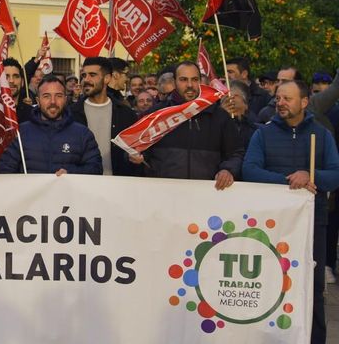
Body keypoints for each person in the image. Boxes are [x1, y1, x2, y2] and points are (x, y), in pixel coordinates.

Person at [242, 80, 339, 344]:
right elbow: (249, 170)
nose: (280, 103)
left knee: (313, 288)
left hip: (312, 225)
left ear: (304, 102)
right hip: (272, 225)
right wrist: (289, 182)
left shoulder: (322, 135)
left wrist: (311, 175)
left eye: (287, 98)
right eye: (278, 98)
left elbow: (335, 174)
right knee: (272, 285)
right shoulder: (263, 133)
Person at [129, 61, 242, 189]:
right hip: (163, 193)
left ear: (200, 81)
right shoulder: (156, 115)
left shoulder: (219, 116)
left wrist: (228, 170)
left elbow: (235, 153)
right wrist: (135, 156)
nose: (189, 85)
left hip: (207, 193)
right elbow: (133, 148)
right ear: (174, 82)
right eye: (183, 80)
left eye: (194, 79)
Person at [0, 76, 102, 175]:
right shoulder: (21, 133)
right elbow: (5, 170)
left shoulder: (83, 134)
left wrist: (71, 174)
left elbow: (95, 169)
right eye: (46, 96)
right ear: (38, 101)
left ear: (65, 99)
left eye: (58, 96)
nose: (53, 101)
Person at [70, 57, 141, 176]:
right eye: (84, 75)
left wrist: (137, 158)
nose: (86, 80)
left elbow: (137, 148)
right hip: (82, 184)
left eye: (92, 75)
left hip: (118, 185)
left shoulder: (126, 114)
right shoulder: (71, 113)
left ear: (107, 78)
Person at [221, 80, 260, 156]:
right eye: (224, 96)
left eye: (233, 96)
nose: (228, 100)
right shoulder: (216, 124)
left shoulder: (256, 128)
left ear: (245, 102)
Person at [3, 58, 33, 122]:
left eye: (16, 76)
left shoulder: (32, 114)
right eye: (6, 77)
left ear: (22, 82)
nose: (11, 81)